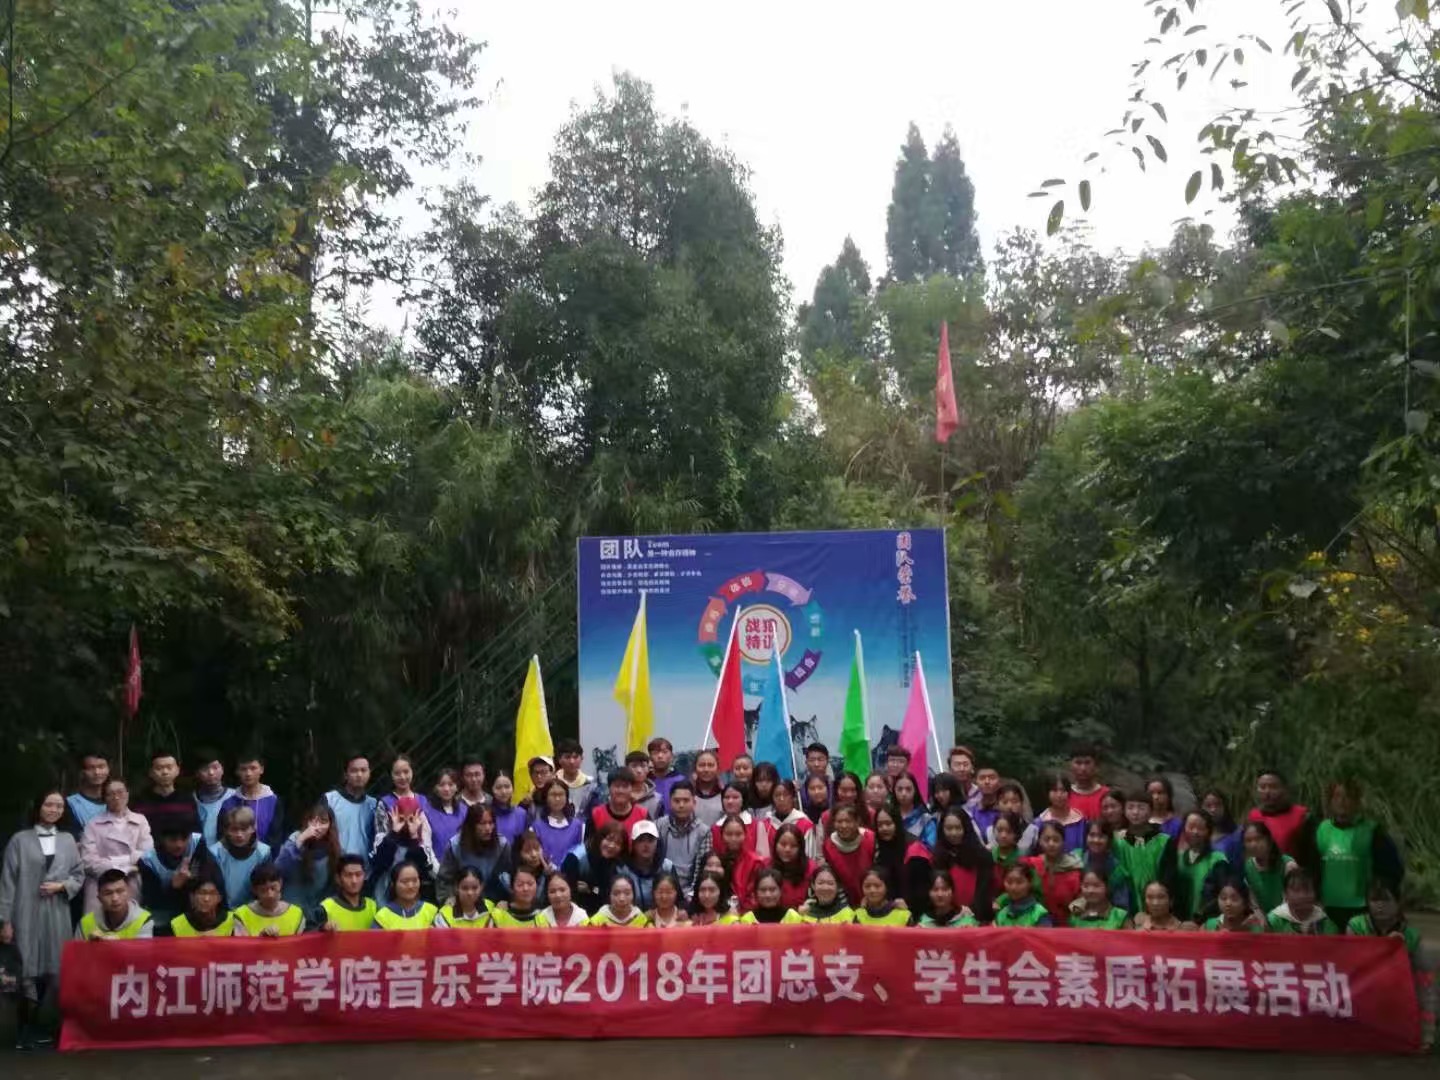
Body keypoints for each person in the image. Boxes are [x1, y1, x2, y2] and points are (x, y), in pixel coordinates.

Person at [0, 790, 83, 1050]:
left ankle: (42, 1024)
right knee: (25, 966)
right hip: (25, 911)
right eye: (49, 804)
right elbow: (7, 881)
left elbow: (78, 874)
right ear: (38, 807)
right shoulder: (20, 840)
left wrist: (62, 886)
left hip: (57, 913)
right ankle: (24, 1029)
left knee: (54, 966)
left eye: (59, 806)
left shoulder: (68, 840)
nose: (54, 810)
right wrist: (5, 920)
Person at [1348, 879, 1436, 1051]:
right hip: (1363, 989)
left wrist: (1427, 1035)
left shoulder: (1412, 936)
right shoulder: (1356, 925)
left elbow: (1425, 985)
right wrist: (1382, 947)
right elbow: (1350, 966)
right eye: (1374, 900)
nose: (1380, 905)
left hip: (1397, 992)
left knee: (1424, 983)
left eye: (1386, 899)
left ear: (1398, 902)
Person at [1315, 779, 1404, 928]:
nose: (1342, 801)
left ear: (1357, 801)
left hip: (1363, 909)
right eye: (1337, 796)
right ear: (1330, 801)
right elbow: (1312, 869)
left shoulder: (1373, 831)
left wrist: (1383, 902)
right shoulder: (1321, 830)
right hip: (1328, 908)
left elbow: (1391, 871)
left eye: (1348, 796)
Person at [80, 777, 152, 914]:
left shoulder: (140, 820)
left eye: (120, 792)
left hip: (131, 883)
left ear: (127, 794)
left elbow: (148, 855)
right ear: (104, 798)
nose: (116, 797)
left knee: (131, 922)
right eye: (110, 794)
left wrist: (111, 861)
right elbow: (88, 861)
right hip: (100, 886)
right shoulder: (93, 824)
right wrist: (128, 862)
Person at [368, 794, 438, 904]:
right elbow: (379, 864)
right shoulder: (383, 839)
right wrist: (394, 833)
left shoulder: (422, 845)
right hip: (383, 901)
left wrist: (414, 837)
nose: (406, 824)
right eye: (401, 819)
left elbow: (425, 872)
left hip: (412, 903)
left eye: (411, 819)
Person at [1163, 809, 1230, 924]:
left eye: (1200, 828)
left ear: (1208, 831)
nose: (1195, 832)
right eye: (1191, 827)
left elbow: (1221, 895)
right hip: (1181, 924)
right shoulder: (1178, 859)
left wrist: (1200, 918)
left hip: (1207, 923)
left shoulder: (1217, 860)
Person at [930, 807, 996, 923]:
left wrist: (969, 911)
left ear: (966, 828)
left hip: (976, 917)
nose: (954, 833)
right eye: (949, 828)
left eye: (958, 828)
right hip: (946, 918)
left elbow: (984, 892)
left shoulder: (982, 856)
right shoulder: (938, 856)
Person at [138, 824, 205, 934]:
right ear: (162, 839)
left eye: (184, 839)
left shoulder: (197, 843)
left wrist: (191, 881)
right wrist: (174, 886)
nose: (179, 845)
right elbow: (153, 901)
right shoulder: (148, 861)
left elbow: (208, 880)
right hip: (163, 913)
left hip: (193, 910)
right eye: (173, 840)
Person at [438, 802, 509, 905]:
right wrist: (447, 898)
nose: (488, 828)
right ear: (472, 825)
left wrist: (506, 900)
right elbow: (444, 880)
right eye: (482, 823)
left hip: (492, 901)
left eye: (491, 823)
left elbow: (506, 877)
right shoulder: (455, 846)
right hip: (461, 901)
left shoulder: (502, 845)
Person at [276, 801, 341, 911]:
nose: (317, 827)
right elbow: (279, 868)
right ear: (307, 821)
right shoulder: (295, 838)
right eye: (313, 821)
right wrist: (301, 840)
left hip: (316, 908)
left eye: (323, 822)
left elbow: (333, 887)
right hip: (290, 906)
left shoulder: (334, 848)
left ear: (330, 825)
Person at [1021, 820, 1083, 926]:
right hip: (1036, 923)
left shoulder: (1075, 868)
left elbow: (1082, 898)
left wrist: (1075, 909)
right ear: (1039, 841)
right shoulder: (1032, 865)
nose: (1051, 844)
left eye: (1056, 840)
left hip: (1067, 925)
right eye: (1046, 839)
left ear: (1063, 842)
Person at [208, 805, 272, 909]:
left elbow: (265, 884)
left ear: (253, 828)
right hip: (223, 908)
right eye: (234, 830)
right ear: (226, 830)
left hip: (254, 909)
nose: (239, 835)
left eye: (244, 829)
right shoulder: (215, 852)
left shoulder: (264, 852)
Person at [655, 780, 711, 898]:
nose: (681, 805)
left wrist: (691, 895)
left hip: (690, 892)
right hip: (662, 890)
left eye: (686, 800)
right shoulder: (658, 825)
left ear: (694, 802)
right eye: (677, 801)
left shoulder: (703, 831)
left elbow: (701, 869)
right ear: (670, 802)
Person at [219, 753, 285, 851]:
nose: (248, 773)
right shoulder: (229, 803)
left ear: (261, 769)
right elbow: (222, 835)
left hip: (266, 856)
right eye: (243, 769)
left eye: (253, 768)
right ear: (237, 771)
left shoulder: (273, 801)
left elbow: (277, 836)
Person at [1248, 769, 1315, 863]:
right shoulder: (1253, 816)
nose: (1267, 792)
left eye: (1273, 787)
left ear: (1284, 789)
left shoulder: (1301, 815)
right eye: (1262, 787)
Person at [871, 804, 928, 912]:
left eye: (888, 823)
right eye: (880, 825)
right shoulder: (877, 848)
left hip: (913, 910)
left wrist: (908, 904)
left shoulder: (914, 848)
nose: (884, 828)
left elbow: (923, 888)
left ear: (897, 823)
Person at [131, 748, 199, 838]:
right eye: (159, 768)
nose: (165, 772)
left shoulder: (187, 800)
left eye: (169, 767)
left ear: (178, 770)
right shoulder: (141, 802)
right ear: (150, 772)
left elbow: (196, 834)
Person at [324, 752, 377, 864]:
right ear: (345, 774)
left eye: (363, 770)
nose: (359, 775)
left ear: (369, 773)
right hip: (336, 867)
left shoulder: (374, 804)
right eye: (354, 771)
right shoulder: (330, 800)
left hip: (365, 869)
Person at [563, 820, 626, 914]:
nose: (612, 846)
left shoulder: (618, 864)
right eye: (609, 839)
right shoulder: (576, 857)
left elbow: (608, 893)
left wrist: (592, 889)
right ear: (600, 838)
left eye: (618, 843)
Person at [748, 823, 814, 912]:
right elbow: (753, 897)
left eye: (793, 846)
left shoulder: (811, 869)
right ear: (775, 844)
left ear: (800, 848)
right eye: (783, 844)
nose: (787, 849)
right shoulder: (764, 866)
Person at [1116, 792, 1169, 902]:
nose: (1135, 812)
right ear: (1124, 811)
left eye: (1141, 808)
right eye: (1130, 807)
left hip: (1156, 901)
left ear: (1151, 811)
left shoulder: (1164, 841)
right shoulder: (1118, 841)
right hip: (1127, 901)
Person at [372, 755, 433, 847]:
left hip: (419, 852)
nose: (402, 777)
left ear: (412, 771)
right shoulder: (384, 803)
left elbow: (428, 836)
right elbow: (380, 837)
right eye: (397, 773)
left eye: (406, 772)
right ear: (391, 775)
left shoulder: (423, 801)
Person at [820, 804, 874, 906]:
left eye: (848, 821)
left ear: (857, 822)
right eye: (839, 822)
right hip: (844, 902)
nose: (844, 826)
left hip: (872, 897)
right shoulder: (828, 846)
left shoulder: (870, 839)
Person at [76, 869, 153, 940]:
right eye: (108, 893)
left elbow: (143, 950)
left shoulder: (144, 920)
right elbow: (77, 950)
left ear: (129, 893)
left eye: (120, 891)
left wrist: (116, 944)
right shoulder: (85, 923)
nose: (115, 898)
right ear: (99, 898)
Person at [233, 863, 304, 937]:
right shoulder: (242, 915)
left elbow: (301, 943)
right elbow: (242, 944)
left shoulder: (296, 914)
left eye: (273, 888)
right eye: (263, 890)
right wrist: (262, 939)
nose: (270, 895)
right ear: (255, 890)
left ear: (280, 883)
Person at [1242, 820, 1296, 916]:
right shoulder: (1248, 867)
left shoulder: (1288, 865)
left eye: (1258, 839)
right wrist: (1260, 917)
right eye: (1248, 841)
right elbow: (1254, 904)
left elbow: (1292, 900)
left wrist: (1274, 919)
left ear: (1269, 840)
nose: (1253, 844)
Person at [618, 820, 674, 910]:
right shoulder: (622, 869)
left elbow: (679, 900)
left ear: (657, 843)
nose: (646, 845)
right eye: (640, 840)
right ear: (633, 844)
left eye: (650, 840)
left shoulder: (667, 866)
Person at [314, 855, 378, 931]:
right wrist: (323, 927)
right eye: (348, 875)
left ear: (364, 876)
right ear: (338, 878)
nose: (354, 881)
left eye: (358, 875)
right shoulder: (326, 908)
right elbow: (310, 933)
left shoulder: (373, 907)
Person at [1266, 868, 1338, 935]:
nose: (1302, 895)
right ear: (1285, 894)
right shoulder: (1272, 922)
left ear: (1316, 894)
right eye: (1296, 890)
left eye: (1307, 890)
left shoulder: (1325, 924)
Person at [1080, 821, 1132, 913]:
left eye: (1101, 836)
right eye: (1092, 835)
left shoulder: (1117, 870)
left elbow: (1122, 908)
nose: (1096, 840)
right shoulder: (1077, 860)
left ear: (1109, 840)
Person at [532, 778, 585, 869]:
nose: (557, 799)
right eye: (553, 795)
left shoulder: (579, 826)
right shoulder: (536, 827)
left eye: (561, 794)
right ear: (545, 797)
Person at [715, 814, 763, 909]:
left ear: (745, 835)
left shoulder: (755, 862)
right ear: (721, 835)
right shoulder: (716, 861)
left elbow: (755, 896)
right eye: (729, 834)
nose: (733, 839)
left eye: (738, 834)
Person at [763, 780, 818, 859]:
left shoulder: (805, 824)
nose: (781, 799)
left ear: (793, 797)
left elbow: (810, 857)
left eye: (786, 795)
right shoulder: (766, 824)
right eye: (777, 795)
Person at [375, 862, 439, 930]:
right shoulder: (383, 916)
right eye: (405, 881)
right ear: (393, 884)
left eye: (415, 880)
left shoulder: (431, 911)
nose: (410, 886)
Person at [191, 748, 234, 847]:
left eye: (215, 767)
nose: (211, 773)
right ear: (197, 773)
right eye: (205, 769)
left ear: (222, 769)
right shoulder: (190, 800)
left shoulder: (235, 797)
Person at [589, 766, 649, 837]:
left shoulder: (643, 815)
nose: (620, 791)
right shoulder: (596, 814)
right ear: (609, 788)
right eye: (617, 786)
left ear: (632, 788)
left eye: (625, 786)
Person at [493, 829, 551, 902]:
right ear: (518, 854)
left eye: (537, 849)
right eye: (527, 851)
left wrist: (550, 876)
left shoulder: (550, 870)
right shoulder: (506, 879)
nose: (534, 855)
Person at [1035, 775, 1087, 853]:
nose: (1059, 795)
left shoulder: (1080, 821)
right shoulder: (1039, 823)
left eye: (1063, 790)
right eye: (1054, 790)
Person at [66, 750, 112, 838]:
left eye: (101, 767)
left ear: (108, 769)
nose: (97, 772)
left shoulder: (118, 799)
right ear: (83, 772)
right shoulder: (72, 803)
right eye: (91, 768)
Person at [171, 877, 236, 937]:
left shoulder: (233, 921)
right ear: (192, 897)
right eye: (202, 893)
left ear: (219, 898)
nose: (206, 899)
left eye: (212, 893)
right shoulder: (177, 924)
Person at [425, 768, 467, 857]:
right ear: (435, 788)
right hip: (435, 862)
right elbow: (426, 845)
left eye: (450, 784)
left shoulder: (464, 811)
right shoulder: (426, 811)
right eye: (442, 785)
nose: (446, 789)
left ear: (456, 787)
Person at [738, 868, 803, 924]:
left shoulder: (792, 917)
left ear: (780, 891)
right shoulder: (748, 920)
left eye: (772, 889)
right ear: (756, 892)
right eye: (763, 890)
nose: (768, 895)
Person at [986, 783, 1037, 852]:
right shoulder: (990, 831)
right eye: (1005, 802)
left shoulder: (1032, 830)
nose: (1009, 806)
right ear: (997, 805)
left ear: (1022, 803)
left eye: (1015, 801)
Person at [708, 783, 755, 853]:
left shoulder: (756, 825)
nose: (730, 801)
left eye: (735, 797)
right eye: (726, 797)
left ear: (743, 800)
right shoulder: (715, 828)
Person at [1201, 789, 1244, 865]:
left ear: (1225, 807)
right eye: (1208, 806)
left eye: (1218, 805)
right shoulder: (1197, 834)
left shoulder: (1237, 834)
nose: (1213, 809)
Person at [988, 811, 1026, 896]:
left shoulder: (1022, 859)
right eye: (999, 830)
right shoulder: (989, 854)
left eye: (1009, 831)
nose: (1003, 835)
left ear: (1016, 833)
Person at [1067, 746, 1109, 821]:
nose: (1083, 768)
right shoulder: (1064, 796)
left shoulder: (1107, 795)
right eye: (1078, 763)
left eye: (1087, 763)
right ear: (1070, 765)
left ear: (1096, 765)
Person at [647, 737, 683, 815]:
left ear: (672, 756)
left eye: (664, 752)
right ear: (650, 758)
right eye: (655, 753)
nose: (660, 756)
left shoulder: (681, 781)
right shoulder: (645, 782)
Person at [690, 750, 726, 828]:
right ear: (695, 768)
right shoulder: (688, 794)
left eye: (710, 765)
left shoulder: (726, 795)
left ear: (718, 769)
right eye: (702, 765)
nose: (706, 769)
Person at [892, 772, 931, 841]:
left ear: (915, 791)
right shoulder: (889, 816)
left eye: (908, 789)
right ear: (894, 791)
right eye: (900, 789)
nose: (904, 794)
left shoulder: (925, 819)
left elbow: (930, 844)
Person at [624, 752, 661, 819]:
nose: (639, 771)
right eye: (634, 766)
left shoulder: (657, 799)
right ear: (626, 769)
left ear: (648, 769)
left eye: (643, 766)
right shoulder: (619, 795)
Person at [969, 767, 1003, 838]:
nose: (987, 782)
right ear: (976, 782)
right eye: (982, 778)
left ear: (999, 782)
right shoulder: (971, 812)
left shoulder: (1006, 810)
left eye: (992, 778)